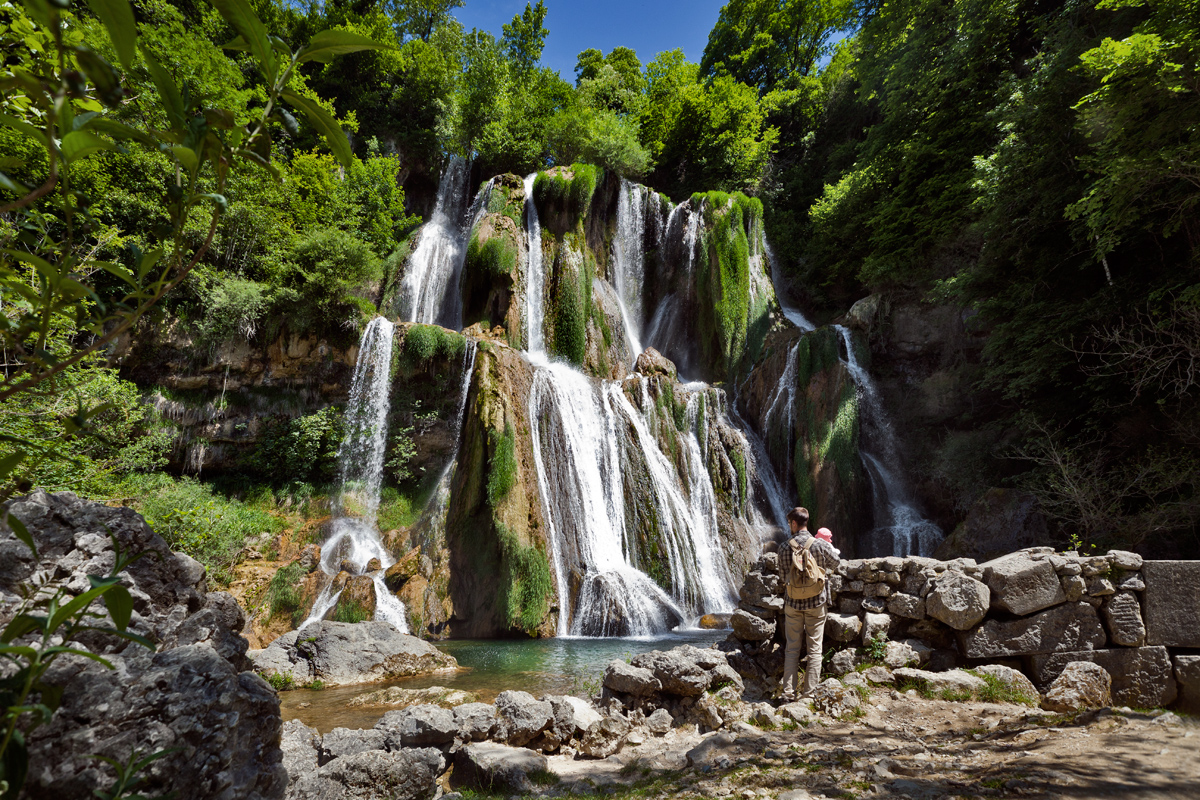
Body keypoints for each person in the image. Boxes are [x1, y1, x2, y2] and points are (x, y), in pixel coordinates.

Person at [777, 507, 840, 702]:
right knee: (814, 650)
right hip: (816, 603)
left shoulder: (783, 547)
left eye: (789, 523)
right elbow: (836, 562)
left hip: (793, 605)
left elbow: (782, 577)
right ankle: (808, 695)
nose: (789, 526)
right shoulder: (820, 545)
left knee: (792, 649)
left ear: (794, 524)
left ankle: (788, 693)